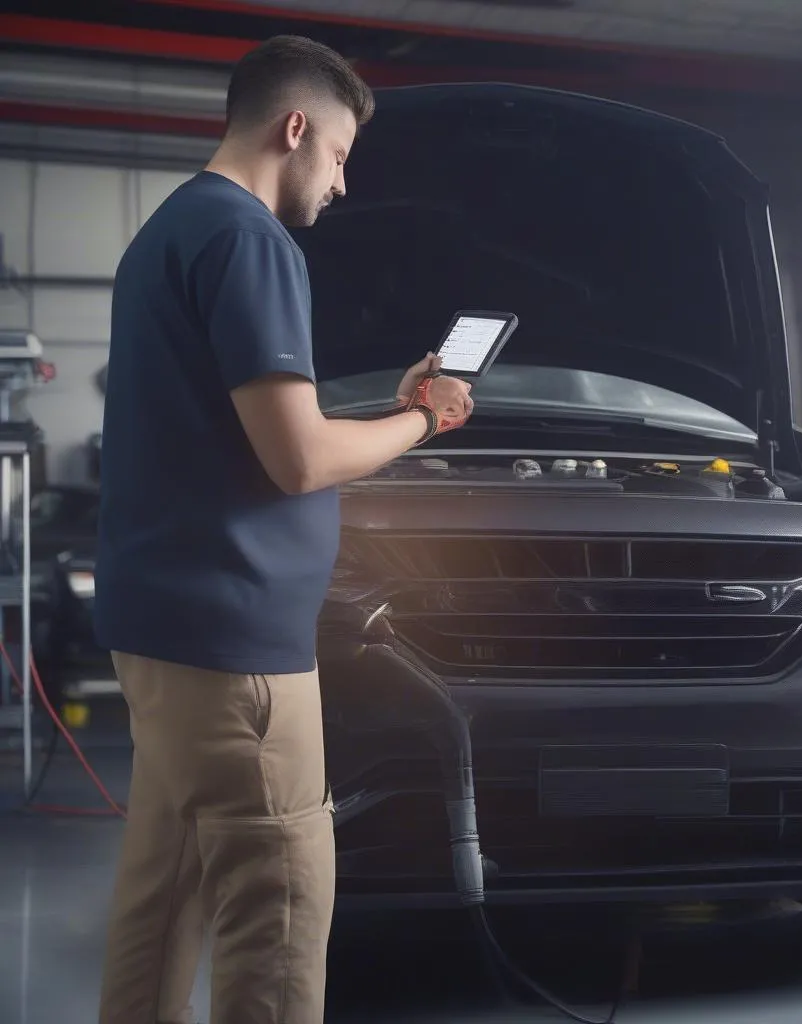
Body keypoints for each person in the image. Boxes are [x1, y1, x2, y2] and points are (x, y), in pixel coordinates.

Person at [93, 34, 474, 1024]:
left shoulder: (165, 236)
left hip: (164, 636)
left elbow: (240, 428)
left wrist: (386, 406)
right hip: (239, 656)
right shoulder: (252, 238)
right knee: (280, 905)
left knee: (164, 890)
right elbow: (297, 457)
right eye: (341, 154)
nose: (342, 184)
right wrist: (422, 417)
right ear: (293, 127)